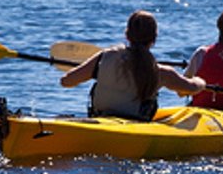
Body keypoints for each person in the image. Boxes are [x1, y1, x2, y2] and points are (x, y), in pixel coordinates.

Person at [60, 10, 201, 120]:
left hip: (100, 117)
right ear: (154, 39)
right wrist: (201, 81)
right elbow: (191, 88)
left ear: (127, 35)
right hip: (135, 123)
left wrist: (96, 71)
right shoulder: (161, 72)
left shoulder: (105, 57)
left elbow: (66, 82)